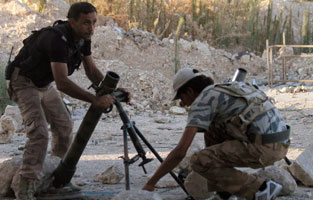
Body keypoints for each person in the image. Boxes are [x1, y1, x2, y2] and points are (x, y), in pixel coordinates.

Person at [6, 2, 129, 200]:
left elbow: (91, 70)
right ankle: (26, 187)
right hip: (24, 82)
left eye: (94, 23)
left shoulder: (83, 38)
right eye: (86, 23)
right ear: (72, 22)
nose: (91, 28)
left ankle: (57, 179)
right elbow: (62, 82)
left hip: (44, 85)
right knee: (38, 133)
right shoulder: (57, 39)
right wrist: (94, 99)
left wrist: (114, 91)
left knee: (64, 126)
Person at [142, 68, 290, 200]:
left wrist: (151, 183)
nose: (183, 104)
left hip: (264, 149)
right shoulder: (225, 89)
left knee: (199, 161)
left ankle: (260, 189)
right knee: (212, 129)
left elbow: (180, 151)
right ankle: (225, 192)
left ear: (190, 91)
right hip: (281, 143)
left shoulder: (202, 101)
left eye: (182, 99)